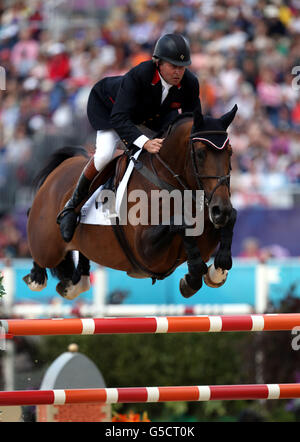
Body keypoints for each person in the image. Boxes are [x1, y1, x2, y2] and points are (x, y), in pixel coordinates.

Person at [57, 33, 201, 242]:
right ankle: (72, 207)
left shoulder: (190, 83)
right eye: (173, 66)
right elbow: (119, 117)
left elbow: (192, 123)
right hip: (110, 110)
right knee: (105, 154)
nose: (178, 71)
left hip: (151, 116)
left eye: (182, 66)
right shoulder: (140, 74)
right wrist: (144, 142)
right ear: (158, 62)